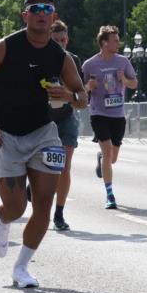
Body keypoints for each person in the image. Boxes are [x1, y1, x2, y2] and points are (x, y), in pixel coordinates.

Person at [0, 0, 84, 288]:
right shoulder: (6, 47)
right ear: (25, 15)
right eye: (36, 8)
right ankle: (1, 218)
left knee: (43, 205)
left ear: (54, 17)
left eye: (47, 9)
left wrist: (69, 95)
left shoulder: (61, 56)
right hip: (6, 135)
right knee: (16, 207)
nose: (42, 13)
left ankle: (21, 268)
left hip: (44, 134)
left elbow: (82, 97)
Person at [81, 25, 138, 209]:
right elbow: (81, 90)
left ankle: (101, 160)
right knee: (107, 153)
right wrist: (89, 87)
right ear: (104, 43)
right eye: (115, 40)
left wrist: (124, 80)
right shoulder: (89, 65)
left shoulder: (123, 62)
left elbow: (134, 84)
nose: (118, 43)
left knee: (111, 159)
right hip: (99, 113)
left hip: (118, 115)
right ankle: (110, 195)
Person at [49, 20, 89, 230]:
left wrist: (69, 94)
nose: (60, 44)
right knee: (42, 166)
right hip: (43, 119)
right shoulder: (39, 57)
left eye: (63, 40)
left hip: (66, 117)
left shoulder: (72, 60)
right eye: (55, 40)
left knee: (64, 166)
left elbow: (82, 95)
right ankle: (32, 187)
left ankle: (59, 214)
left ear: (67, 39)